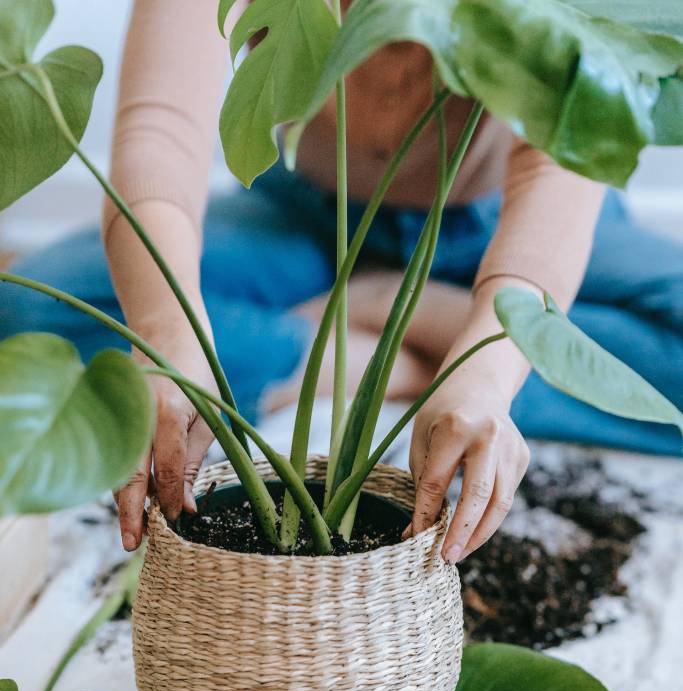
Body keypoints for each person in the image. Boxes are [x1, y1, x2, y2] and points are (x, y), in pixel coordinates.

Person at [2, 0, 681, 560]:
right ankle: (356, 359)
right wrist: (163, 335)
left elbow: (558, 167)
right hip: (307, 217)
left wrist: (488, 367)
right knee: (30, 313)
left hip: (495, 226)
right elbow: (160, 131)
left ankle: (395, 326)